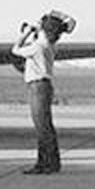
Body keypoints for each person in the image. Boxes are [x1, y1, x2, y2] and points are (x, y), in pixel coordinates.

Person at [11, 11, 76, 174]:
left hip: (37, 87)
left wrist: (25, 33)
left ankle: (44, 164)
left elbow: (15, 50)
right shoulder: (48, 46)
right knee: (46, 127)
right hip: (44, 86)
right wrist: (37, 32)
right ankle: (50, 163)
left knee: (42, 128)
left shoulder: (38, 47)